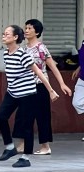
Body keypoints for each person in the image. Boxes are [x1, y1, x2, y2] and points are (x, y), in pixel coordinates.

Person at [0, 25, 58, 168]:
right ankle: (10, 147)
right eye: (3, 34)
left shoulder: (22, 54)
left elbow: (38, 72)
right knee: (0, 116)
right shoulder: (6, 54)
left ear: (15, 37)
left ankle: (25, 158)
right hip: (12, 92)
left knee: (26, 125)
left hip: (28, 94)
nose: (4, 36)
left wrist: (50, 90)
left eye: (7, 34)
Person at [23, 19, 72, 155]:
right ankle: (24, 145)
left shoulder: (41, 48)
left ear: (37, 32)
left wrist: (62, 84)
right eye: (26, 28)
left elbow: (53, 67)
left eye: (30, 28)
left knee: (42, 116)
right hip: (26, 87)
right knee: (25, 116)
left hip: (40, 86)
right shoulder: (24, 49)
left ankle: (45, 146)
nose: (26, 30)